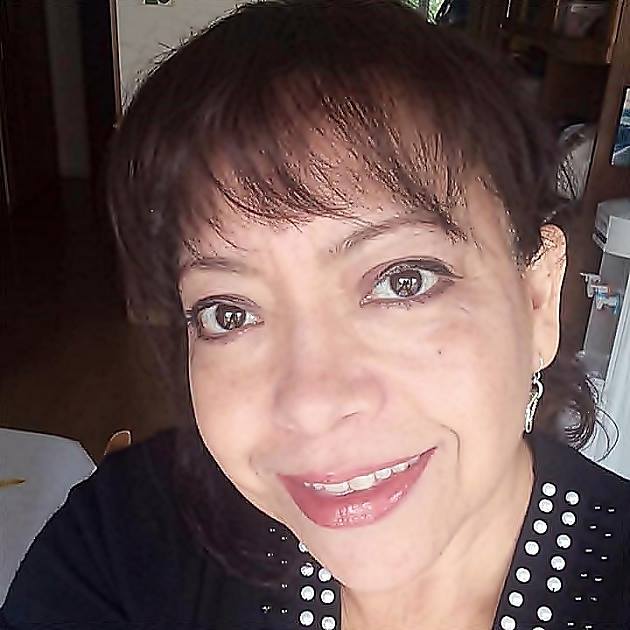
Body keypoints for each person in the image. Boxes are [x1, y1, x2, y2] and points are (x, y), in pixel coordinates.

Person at [2, 1, 629, 628]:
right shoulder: (127, 540)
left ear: (537, 297)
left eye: (402, 281)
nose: (310, 405)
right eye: (228, 313)